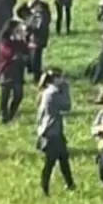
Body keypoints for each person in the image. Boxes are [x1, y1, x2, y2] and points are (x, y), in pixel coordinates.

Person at [36, 68, 76, 196]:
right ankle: (44, 188)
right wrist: (66, 90)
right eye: (61, 78)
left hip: (54, 131)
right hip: (51, 132)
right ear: (55, 79)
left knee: (64, 158)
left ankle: (70, 184)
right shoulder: (52, 93)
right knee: (50, 162)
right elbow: (67, 106)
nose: (63, 80)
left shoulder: (48, 92)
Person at [0, 20, 29, 123]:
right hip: (6, 70)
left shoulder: (19, 41)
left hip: (18, 71)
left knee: (19, 95)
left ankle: (12, 113)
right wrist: (18, 54)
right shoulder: (4, 40)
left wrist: (22, 40)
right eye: (17, 29)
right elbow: (8, 53)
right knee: (5, 94)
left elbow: (26, 52)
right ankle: (3, 114)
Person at [16, 0, 52, 83]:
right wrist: (27, 5)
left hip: (37, 37)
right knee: (28, 55)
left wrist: (29, 28)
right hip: (29, 37)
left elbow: (41, 24)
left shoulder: (42, 8)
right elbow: (19, 12)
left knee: (36, 58)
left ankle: (37, 76)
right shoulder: (29, 6)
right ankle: (30, 71)